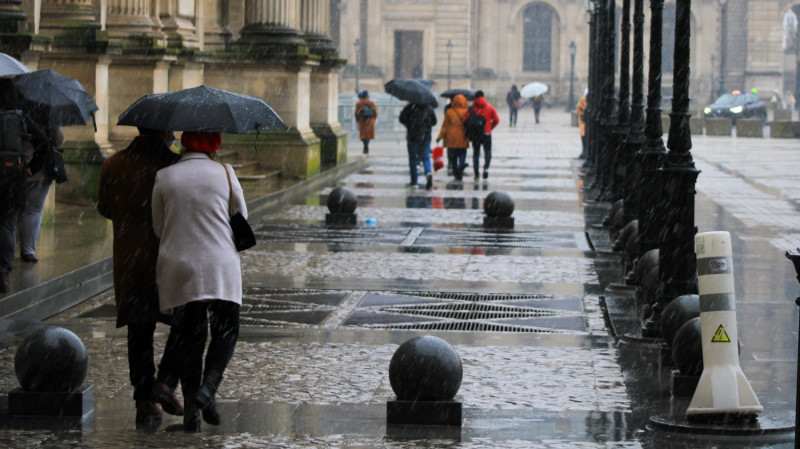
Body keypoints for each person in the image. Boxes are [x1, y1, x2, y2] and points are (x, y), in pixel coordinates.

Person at [151, 131, 245, 432]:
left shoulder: (165, 176)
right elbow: (241, 216)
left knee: (190, 338)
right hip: (220, 265)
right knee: (226, 330)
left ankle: (192, 414)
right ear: (215, 145)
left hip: (179, 266)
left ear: (184, 143)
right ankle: (209, 387)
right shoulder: (226, 174)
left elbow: (158, 226)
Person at [97, 127, 184, 425]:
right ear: (164, 130)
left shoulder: (113, 163)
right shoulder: (174, 165)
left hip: (130, 260)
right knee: (185, 322)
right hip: (167, 258)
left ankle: (144, 398)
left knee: (139, 330)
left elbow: (105, 208)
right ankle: (165, 383)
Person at [0, 109, 49, 293]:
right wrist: (30, 168)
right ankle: (3, 274)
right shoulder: (20, 117)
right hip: (13, 180)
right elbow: (43, 143)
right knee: (7, 225)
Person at [17, 126, 65, 264]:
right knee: (33, 211)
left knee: (12, 212)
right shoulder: (48, 116)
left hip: (17, 168)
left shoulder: (15, 115)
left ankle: (7, 252)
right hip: (41, 169)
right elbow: (60, 140)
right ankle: (28, 251)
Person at [399, 102, 437, 190]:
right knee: (426, 158)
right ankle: (428, 172)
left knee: (413, 159)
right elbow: (434, 122)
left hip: (412, 136)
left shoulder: (410, 107)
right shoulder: (429, 108)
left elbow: (401, 119)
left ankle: (414, 182)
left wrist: (409, 123)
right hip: (425, 136)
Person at [436, 94, 470, 181]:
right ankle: (461, 165)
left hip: (451, 137)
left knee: (453, 156)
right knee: (462, 153)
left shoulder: (449, 112)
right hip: (463, 136)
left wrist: (440, 136)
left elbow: (445, 126)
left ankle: (455, 171)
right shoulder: (466, 112)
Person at [467, 90, 499, 180]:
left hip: (476, 134)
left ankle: (476, 173)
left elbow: (466, 119)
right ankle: (486, 168)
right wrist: (490, 127)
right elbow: (496, 120)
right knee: (487, 152)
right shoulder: (490, 107)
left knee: (476, 153)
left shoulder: (471, 108)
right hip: (486, 133)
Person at [354, 90, 377, 154]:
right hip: (370, 121)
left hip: (362, 121)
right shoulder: (372, 103)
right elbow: (375, 113)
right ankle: (366, 147)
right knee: (368, 135)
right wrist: (373, 119)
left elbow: (356, 113)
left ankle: (365, 147)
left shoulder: (359, 103)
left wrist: (358, 119)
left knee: (363, 135)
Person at [576, 89, 588, 159]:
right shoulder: (583, 100)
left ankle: (585, 152)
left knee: (585, 138)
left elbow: (578, 109)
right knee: (585, 137)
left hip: (585, 122)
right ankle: (585, 152)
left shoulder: (583, 100)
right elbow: (579, 109)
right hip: (584, 122)